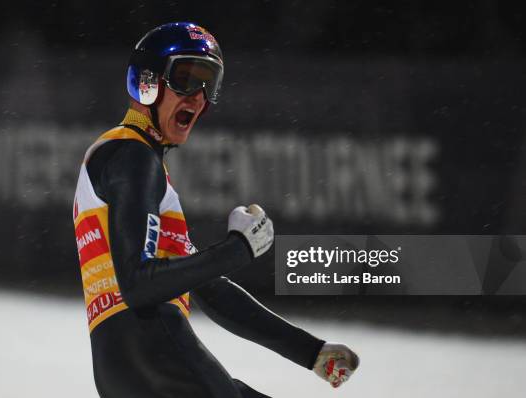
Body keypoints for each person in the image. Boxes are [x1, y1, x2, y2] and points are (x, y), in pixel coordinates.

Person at [73, 22, 359, 398]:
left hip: (124, 371)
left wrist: (310, 352)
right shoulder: (133, 157)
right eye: (186, 79)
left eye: (210, 84)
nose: (199, 97)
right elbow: (140, 285)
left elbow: (211, 291)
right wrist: (238, 248)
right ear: (147, 82)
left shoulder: (126, 159)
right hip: (157, 354)